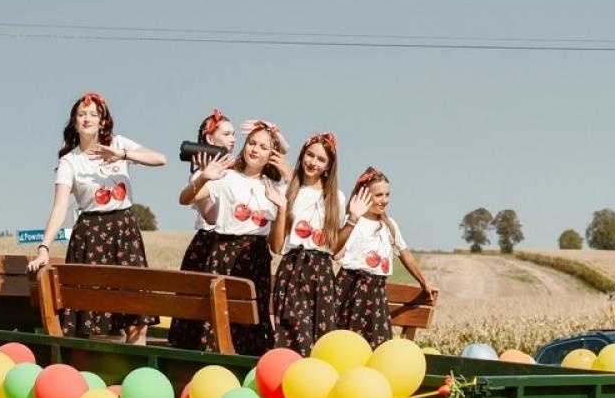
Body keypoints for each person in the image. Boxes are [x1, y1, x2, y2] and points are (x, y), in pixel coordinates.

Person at [30, 92, 166, 343]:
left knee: (138, 315)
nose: (87, 118)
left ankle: (136, 373)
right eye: (82, 114)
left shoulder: (119, 143)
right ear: (74, 122)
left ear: (103, 121)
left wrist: (123, 155)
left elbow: (160, 159)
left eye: (93, 114)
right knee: (97, 320)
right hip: (91, 235)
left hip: (124, 231)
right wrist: (43, 248)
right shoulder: (69, 162)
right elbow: (60, 208)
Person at [187, 119, 286, 354]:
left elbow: (276, 246)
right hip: (224, 252)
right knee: (218, 317)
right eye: (252, 143)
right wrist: (203, 177)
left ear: (271, 154)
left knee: (251, 318)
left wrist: (282, 209)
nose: (255, 150)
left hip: (256, 256)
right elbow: (186, 198)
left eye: (263, 147)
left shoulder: (274, 187)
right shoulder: (227, 177)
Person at [334, 167, 436, 347]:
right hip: (351, 287)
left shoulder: (389, 226)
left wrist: (423, 281)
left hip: (377, 291)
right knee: (349, 342)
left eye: (387, 194)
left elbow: (406, 255)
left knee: (378, 342)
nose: (384, 200)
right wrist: (352, 219)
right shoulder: (352, 221)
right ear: (363, 195)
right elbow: (335, 249)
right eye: (378, 195)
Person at [270, 131, 346, 353]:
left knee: (321, 337)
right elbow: (275, 246)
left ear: (329, 166)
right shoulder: (286, 191)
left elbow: (333, 247)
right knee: (293, 332)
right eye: (310, 155)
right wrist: (283, 208)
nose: (313, 162)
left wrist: (353, 220)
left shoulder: (336, 198)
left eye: (321, 159)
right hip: (293, 267)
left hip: (321, 272)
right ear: (302, 155)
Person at [168, 109, 234, 350]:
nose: (233, 139)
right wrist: (208, 178)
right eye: (226, 133)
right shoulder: (202, 175)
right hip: (208, 245)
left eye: (233, 134)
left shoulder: (234, 171)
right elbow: (211, 215)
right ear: (209, 139)